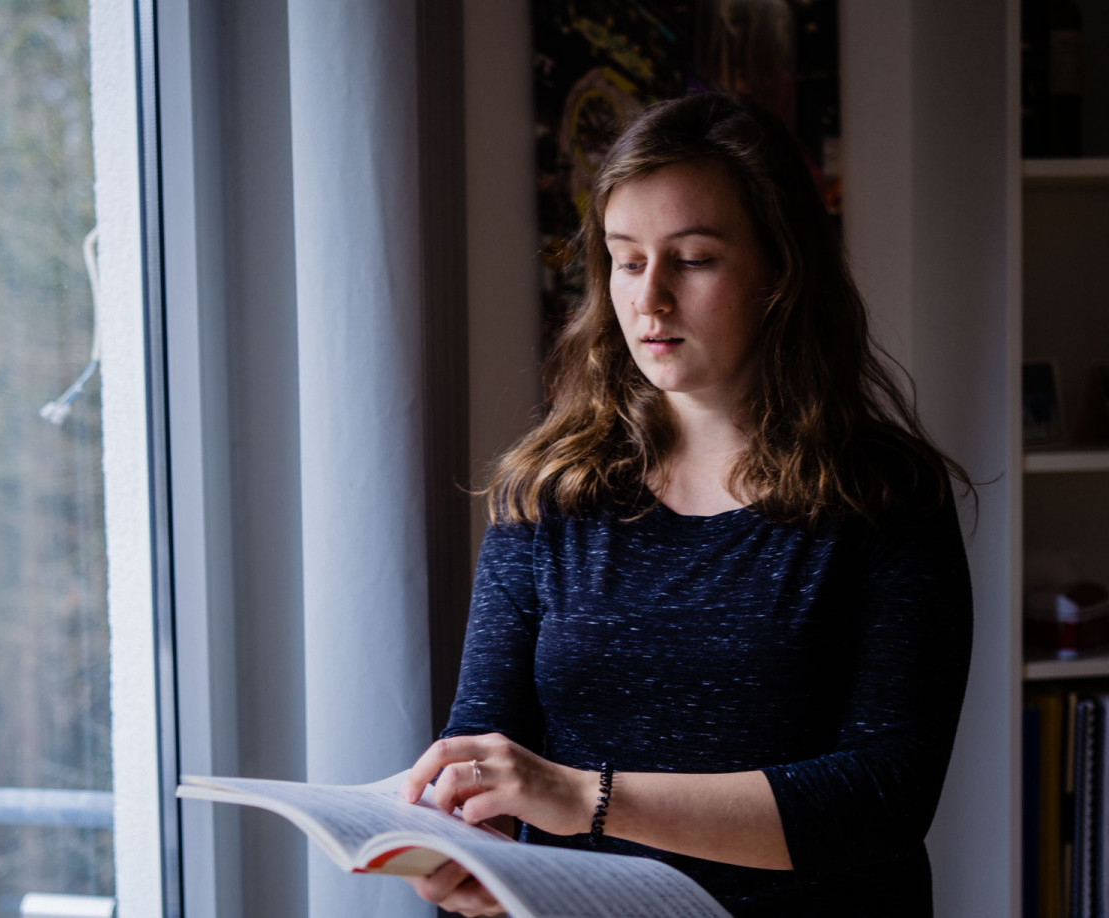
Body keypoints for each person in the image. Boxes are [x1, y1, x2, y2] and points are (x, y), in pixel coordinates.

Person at [401, 90, 974, 918]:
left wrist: (587, 799)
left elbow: (881, 796)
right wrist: (474, 858)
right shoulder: (548, 494)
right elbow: (485, 753)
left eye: (694, 258)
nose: (650, 298)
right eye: (627, 260)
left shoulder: (882, 497)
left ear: (779, 269)